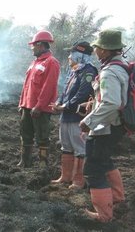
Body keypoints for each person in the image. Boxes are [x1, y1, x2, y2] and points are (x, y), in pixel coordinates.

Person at [79, 29, 128, 222]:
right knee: (105, 160)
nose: (95, 49)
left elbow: (111, 103)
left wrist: (88, 121)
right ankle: (117, 198)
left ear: (106, 51)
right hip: (114, 125)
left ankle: (104, 215)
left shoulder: (109, 72)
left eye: (98, 47)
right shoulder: (121, 67)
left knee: (93, 168)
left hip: (105, 127)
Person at [51, 41, 97, 189]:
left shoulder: (89, 71)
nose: (69, 57)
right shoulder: (74, 71)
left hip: (78, 116)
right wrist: (58, 103)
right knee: (66, 146)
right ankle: (65, 177)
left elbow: (82, 94)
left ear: (80, 55)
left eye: (72, 54)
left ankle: (78, 180)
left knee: (79, 147)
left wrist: (65, 106)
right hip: (66, 115)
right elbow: (65, 92)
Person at [18, 30, 60, 168]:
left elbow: (48, 87)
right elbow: (27, 85)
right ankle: (25, 161)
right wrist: (22, 104)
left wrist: (39, 106)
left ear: (41, 45)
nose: (32, 48)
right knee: (26, 134)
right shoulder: (34, 63)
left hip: (39, 109)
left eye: (34, 45)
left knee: (42, 137)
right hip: (27, 106)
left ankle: (43, 164)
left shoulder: (51, 63)